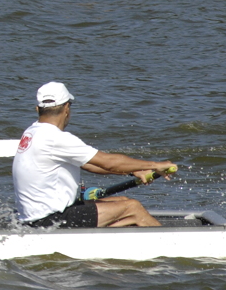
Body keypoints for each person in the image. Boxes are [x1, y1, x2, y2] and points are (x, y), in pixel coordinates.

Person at [13, 82, 175, 228]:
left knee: (122, 202)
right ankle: (171, 247)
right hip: (52, 221)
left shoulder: (31, 133)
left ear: (38, 109)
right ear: (67, 108)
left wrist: (132, 171)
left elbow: (87, 163)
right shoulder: (56, 138)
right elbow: (108, 162)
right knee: (133, 208)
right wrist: (155, 165)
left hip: (34, 218)